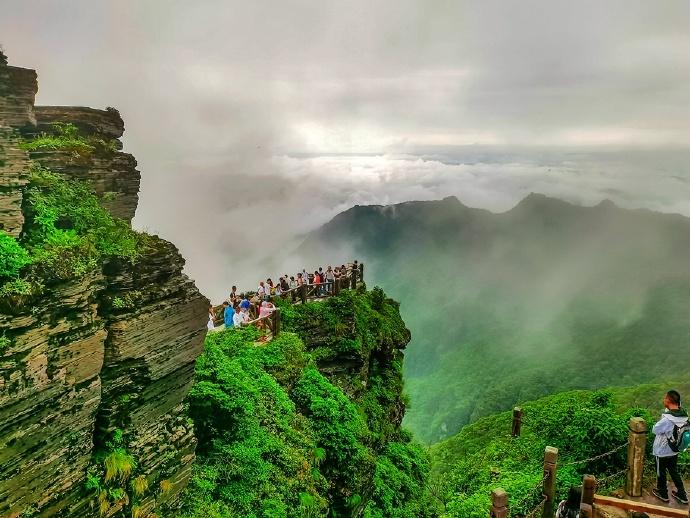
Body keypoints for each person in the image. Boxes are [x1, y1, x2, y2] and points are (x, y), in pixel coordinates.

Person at [652, 390, 689, 504]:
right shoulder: (684, 415)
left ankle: (663, 493)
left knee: (661, 472)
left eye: (665, 398)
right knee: (674, 471)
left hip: (662, 451)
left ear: (668, 400)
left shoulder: (667, 419)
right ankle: (682, 494)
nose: (664, 400)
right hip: (674, 450)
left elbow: (655, 430)